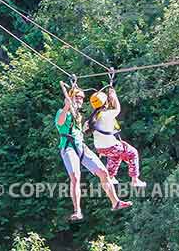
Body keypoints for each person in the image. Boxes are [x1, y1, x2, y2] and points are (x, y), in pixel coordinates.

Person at [55, 82, 131, 221]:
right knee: (75, 177)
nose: (80, 100)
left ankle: (115, 202)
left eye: (81, 98)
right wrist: (66, 106)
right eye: (77, 97)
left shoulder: (77, 115)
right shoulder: (62, 112)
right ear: (70, 98)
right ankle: (77, 210)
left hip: (81, 146)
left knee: (103, 173)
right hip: (68, 147)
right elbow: (60, 123)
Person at [86, 87, 146, 188]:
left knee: (115, 156)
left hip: (100, 148)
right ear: (105, 103)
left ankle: (110, 176)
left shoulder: (92, 118)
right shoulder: (106, 114)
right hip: (111, 146)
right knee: (133, 153)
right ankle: (135, 179)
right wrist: (114, 96)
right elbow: (117, 108)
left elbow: (85, 129)